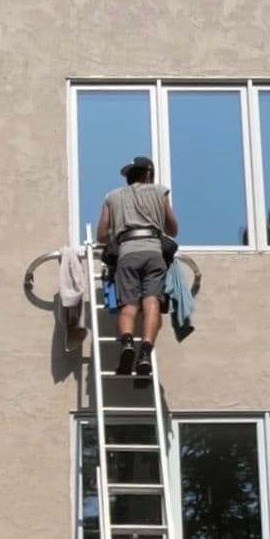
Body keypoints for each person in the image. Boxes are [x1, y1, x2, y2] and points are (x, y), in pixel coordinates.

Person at [96, 156, 178, 384]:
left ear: (128, 176)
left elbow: (101, 235)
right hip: (153, 252)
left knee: (128, 306)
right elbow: (173, 228)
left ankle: (128, 343)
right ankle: (145, 351)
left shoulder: (112, 197)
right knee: (151, 302)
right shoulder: (160, 192)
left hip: (127, 253)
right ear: (148, 174)